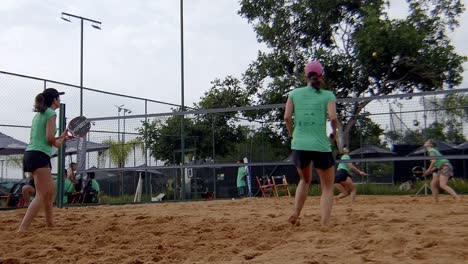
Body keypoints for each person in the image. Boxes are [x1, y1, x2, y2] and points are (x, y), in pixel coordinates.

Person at [284, 60, 338, 226]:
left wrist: (293, 134)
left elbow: (286, 117)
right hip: (320, 145)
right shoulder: (328, 95)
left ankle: (295, 213)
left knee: (304, 180)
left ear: (305, 76)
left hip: (299, 144)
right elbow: (333, 118)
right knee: (328, 187)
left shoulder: (294, 94)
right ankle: (324, 223)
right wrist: (333, 134)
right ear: (321, 75)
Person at [18, 88, 66, 232]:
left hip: (32, 154)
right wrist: (58, 143)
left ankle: (50, 224)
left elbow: (44, 138)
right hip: (39, 155)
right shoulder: (52, 113)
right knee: (42, 193)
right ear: (54, 100)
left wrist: (62, 137)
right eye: (58, 98)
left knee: (50, 190)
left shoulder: (39, 115)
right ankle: (23, 228)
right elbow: (49, 139)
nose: (60, 100)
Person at [423, 139, 461, 203]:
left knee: (443, 185)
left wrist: (428, 170)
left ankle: (457, 197)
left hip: (445, 166)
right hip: (441, 167)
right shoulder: (433, 150)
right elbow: (436, 164)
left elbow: (434, 161)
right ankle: (436, 201)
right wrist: (428, 171)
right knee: (433, 184)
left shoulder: (431, 150)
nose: (425, 142)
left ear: (430, 144)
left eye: (427, 142)